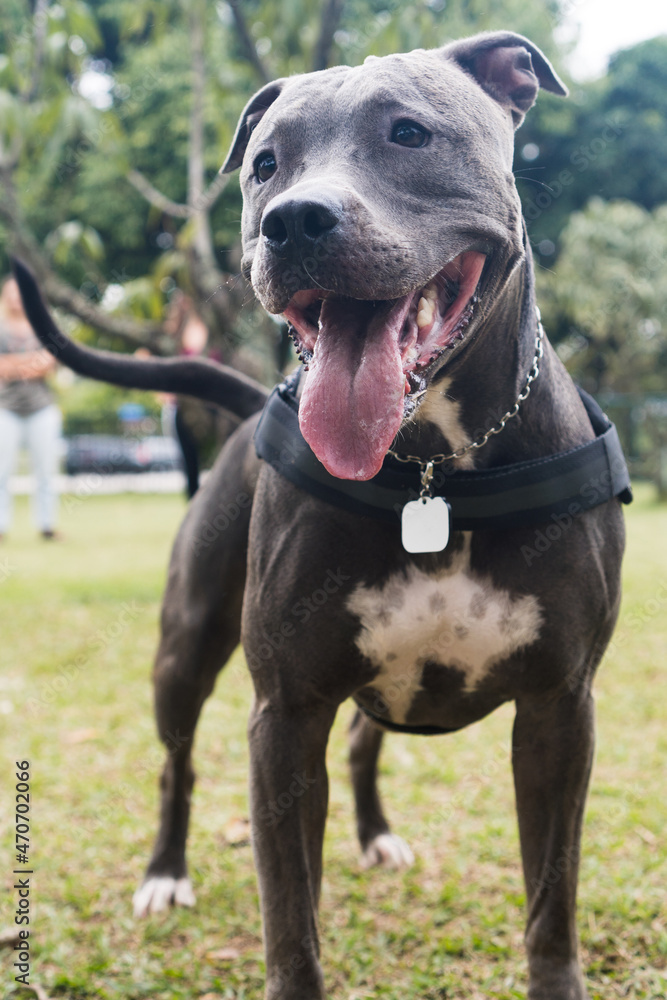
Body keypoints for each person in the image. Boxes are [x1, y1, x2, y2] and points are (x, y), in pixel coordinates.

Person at [0, 275, 62, 540]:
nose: (15, 298)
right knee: (2, 472)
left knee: (46, 471)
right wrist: (30, 363)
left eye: (19, 292)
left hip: (42, 408)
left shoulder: (42, 325)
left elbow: (50, 362)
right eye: (10, 292)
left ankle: (47, 526)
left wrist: (14, 365)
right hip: (6, 408)